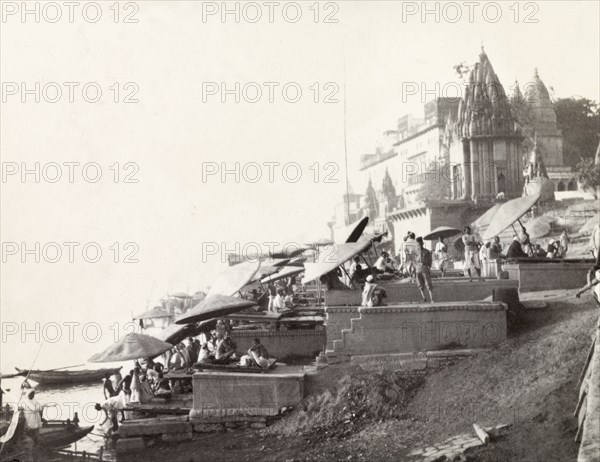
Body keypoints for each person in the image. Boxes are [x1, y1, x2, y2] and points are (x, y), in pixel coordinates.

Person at [415, 237, 434, 303]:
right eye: (417, 244)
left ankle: (432, 299)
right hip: (418, 269)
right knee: (420, 285)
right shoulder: (416, 252)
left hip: (425, 268)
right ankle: (424, 298)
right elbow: (414, 261)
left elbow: (430, 260)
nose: (419, 245)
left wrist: (428, 266)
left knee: (428, 284)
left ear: (422, 244)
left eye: (420, 244)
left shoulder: (427, 251)